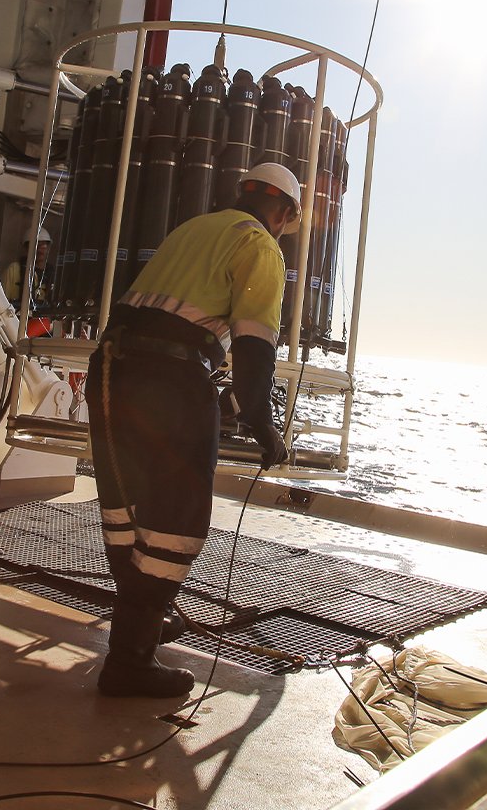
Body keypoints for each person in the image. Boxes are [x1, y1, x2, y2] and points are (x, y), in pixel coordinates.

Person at [86, 162, 300, 698]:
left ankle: (148, 620)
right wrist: (262, 424)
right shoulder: (261, 247)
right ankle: (129, 662)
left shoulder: (191, 229)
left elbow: (171, 316)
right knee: (176, 522)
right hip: (168, 379)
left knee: (125, 508)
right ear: (284, 212)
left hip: (110, 368)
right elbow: (254, 347)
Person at [2, 227, 50, 309]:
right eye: (36, 245)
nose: (40, 250)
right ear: (26, 248)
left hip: (44, 320)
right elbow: (2, 301)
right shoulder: (13, 270)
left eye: (43, 246)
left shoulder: (52, 274)